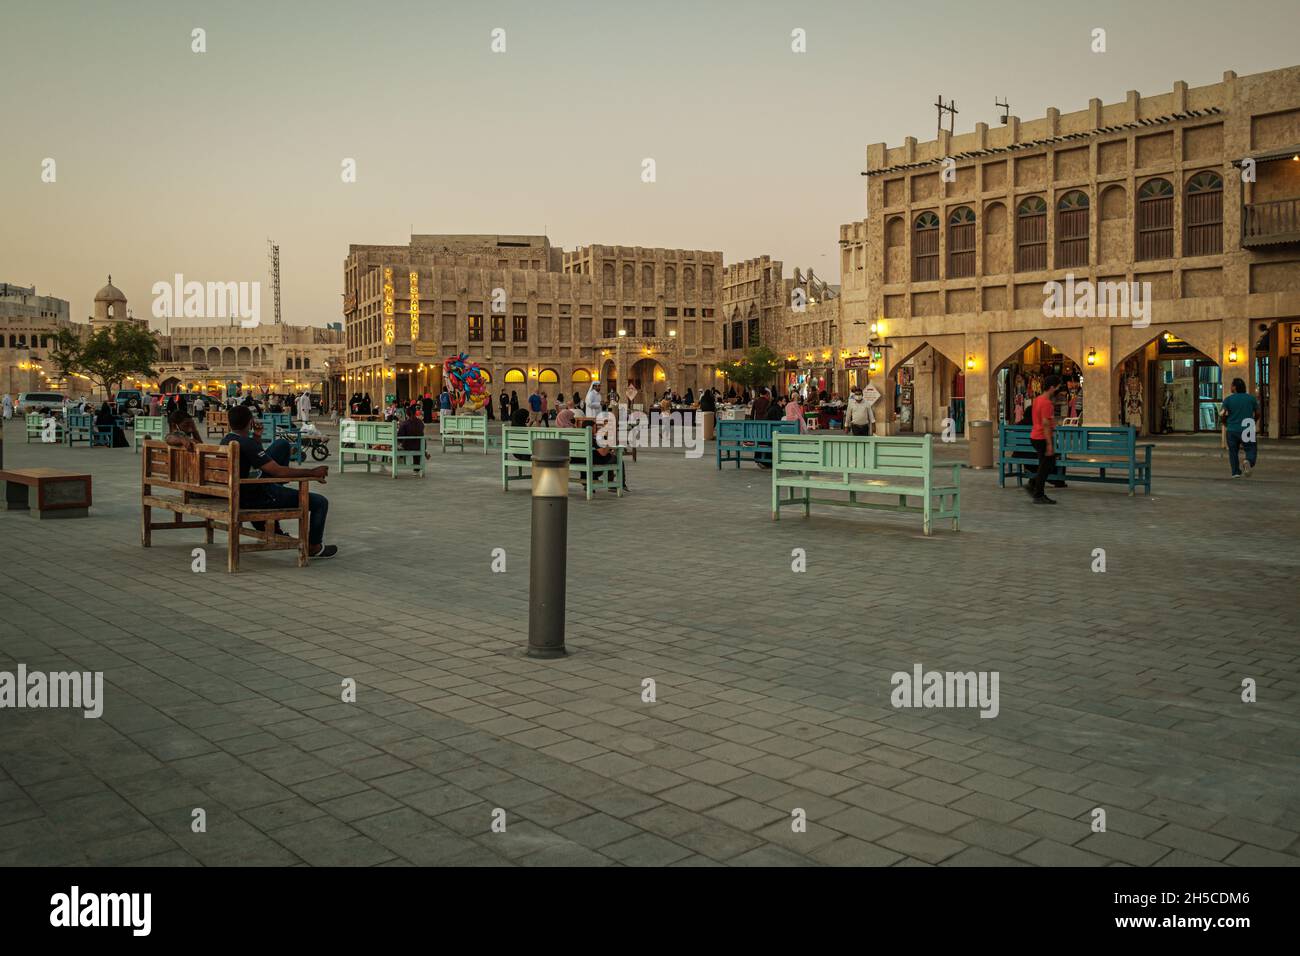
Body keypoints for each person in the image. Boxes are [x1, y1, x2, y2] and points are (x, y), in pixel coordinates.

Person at [221, 405, 336, 559]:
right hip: (256, 495)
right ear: (250, 422)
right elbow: (277, 471)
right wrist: (313, 472)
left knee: (282, 445)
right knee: (320, 502)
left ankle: (275, 499)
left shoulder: (227, 440)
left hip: (240, 490)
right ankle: (314, 546)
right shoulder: (246, 444)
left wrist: (256, 437)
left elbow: (256, 460)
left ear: (230, 423)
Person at [1027, 374, 1062, 504]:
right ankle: (1038, 493)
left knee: (1045, 465)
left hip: (1035, 435)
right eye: (1058, 387)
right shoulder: (1047, 403)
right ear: (1052, 388)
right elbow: (1046, 424)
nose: (1058, 390)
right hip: (1042, 437)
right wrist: (1049, 444)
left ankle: (1033, 485)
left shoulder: (1037, 400)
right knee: (1046, 466)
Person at [1221, 377, 1260, 478]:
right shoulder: (1251, 398)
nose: (1230, 387)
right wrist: (1253, 421)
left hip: (1232, 429)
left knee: (1233, 451)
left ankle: (1235, 472)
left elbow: (1222, 414)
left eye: (1231, 385)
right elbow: (1258, 412)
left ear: (1234, 387)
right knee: (1251, 448)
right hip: (1248, 427)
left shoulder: (1228, 400)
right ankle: (1248, 461)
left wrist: (1225, 423)